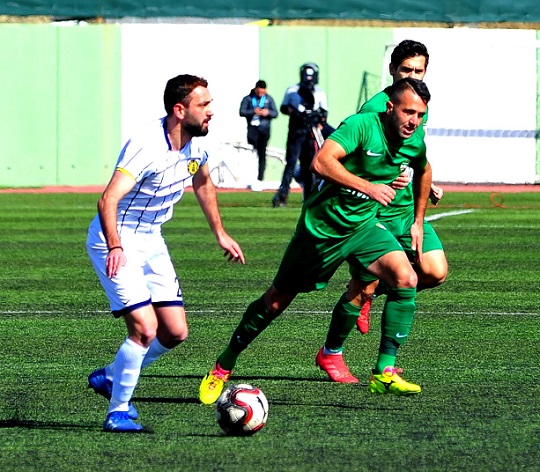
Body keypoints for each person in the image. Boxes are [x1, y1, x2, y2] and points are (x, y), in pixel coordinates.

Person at [200, 77, 432, 405]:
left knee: (406, 277)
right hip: (321, 230)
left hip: (363, 228)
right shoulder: (361, 126)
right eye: (409, 112)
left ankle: (385, 371)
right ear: (391, 107)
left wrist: (418, 221)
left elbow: (423, 169)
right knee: (277, 301)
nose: (414, 121)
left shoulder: (414, 140)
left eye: (421, 115)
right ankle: (223, 365)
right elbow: (320, 162)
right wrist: (369, 186)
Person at [86, 74, 245, 432]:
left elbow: (202, 182)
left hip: (151, 239)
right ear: (179, 109)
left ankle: (112, 376)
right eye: (203, 105)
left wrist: (219, 232)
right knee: (145, 328)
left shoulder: (198, 145)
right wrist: (115, 246)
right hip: (116, 239)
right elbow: (107, 199)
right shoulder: (145, 145)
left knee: (174, 332)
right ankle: (118, 412)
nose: (211, 112)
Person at [315, 40, 448, 385]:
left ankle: (374, 294)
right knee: (364, 288)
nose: (412, 75)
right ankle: (331, 354)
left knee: (434, 271)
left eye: (418, 70)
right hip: (375, 212)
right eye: (406, 70)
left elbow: (416, 155)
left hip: (405, 212)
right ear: (392, 70)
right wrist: (380, 179)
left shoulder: (420, 105)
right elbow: (351, 154)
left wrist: (424, 183)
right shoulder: (374, 109)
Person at [272, 63, 330, 207]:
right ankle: (282, 195)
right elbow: (284, 108)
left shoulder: (320, 92)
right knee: (291, 163)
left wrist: (316, 119)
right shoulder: (293, 90)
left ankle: (310, 195)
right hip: (296, 132)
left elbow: (324, 114)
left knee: (310, 165)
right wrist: (296, 112)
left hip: (311, 134)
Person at [239, 80, 278, 182]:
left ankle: (260, 179)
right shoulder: (248, 99)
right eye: (259, 92)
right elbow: (242, 111)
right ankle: (248, 177)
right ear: (256, 89)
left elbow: (275, 113)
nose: (261, 94)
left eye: (263, 92)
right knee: (252, 150)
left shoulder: (269, 99)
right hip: (252, 130)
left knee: (262, 154)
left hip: (264, 130)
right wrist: (253, 111)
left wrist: (267, 112)